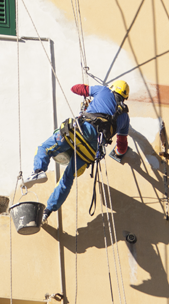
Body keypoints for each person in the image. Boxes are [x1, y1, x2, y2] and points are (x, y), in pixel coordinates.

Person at [25, 80, 131, 223]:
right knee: (67, 178)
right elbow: (121, 147)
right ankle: (48, 211)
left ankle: (38, 170)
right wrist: (118, 153)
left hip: (81, 131)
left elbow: (76, 88)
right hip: (92, 151)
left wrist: (90, 93)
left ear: (112, 88)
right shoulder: (125, 118)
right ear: (125, 97)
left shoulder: (103, 91)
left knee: (44, 148)